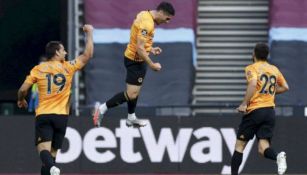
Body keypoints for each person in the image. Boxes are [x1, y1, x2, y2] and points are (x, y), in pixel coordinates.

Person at [17, 24, 94, 175]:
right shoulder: (68, 67)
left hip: (44, 115)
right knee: (51, 158)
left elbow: (23, 89)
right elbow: (87, 55)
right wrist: (89, 33)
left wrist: (21, 99)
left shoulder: (38, 69)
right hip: (62, 117)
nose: (66, 52)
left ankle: (52, 169)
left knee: (43, 152)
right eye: (63, 50)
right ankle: (52, 169)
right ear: (57, 53)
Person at [92, 1, 175, 127]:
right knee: (131, 94)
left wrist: (151, 49)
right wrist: (152, 64)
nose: (167, 21)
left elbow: (138, 40)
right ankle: (102, 108)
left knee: (135, 91)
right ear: (161, 12)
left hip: (135, 58)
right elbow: (140, 48)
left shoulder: (144, 14)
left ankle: (131, 117)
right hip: (135, 61)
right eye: (167, 18)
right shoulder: (148, 24)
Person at [231, 43, 289, 175]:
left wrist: (244, 103)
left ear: (254, 54)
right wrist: (270, 93)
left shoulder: (251, 68)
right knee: (263, 149)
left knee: (239, 146)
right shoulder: (274, 69)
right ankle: (278, 157)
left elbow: (252, 83)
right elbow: (285, 87)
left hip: (255, 111)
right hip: (269, 112)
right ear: (267, 55)